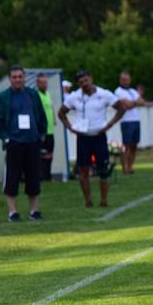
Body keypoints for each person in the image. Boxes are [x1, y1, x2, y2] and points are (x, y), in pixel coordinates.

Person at [57, 70, 130, 207]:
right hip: (83, 137)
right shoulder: (74, 96)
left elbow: (121, 108)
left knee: (103, 170)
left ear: (91, 78)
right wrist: (69, 127)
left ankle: (104, 200)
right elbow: (61, 112)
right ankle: (88, 201)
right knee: (83, 170)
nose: (84, 84)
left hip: (99, 136)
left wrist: (109, 124)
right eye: (81, 82)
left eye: (86, 80)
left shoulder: (104, 94)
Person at [0, 65, 48, 221]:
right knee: (12, 177)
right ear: (10, 79)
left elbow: (42, 117)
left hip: (32, 142)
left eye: (20, 76)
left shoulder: (33, 94)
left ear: (24, 78)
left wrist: (41, 134)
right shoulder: (3, 97)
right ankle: (12, 212)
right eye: (14, 77)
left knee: (34, 177)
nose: (17, 79)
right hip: (14, 143)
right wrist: (6, 138)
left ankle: (34, 210)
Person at [114, 71, 148, 175]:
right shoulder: (118, 91)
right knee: (126, 146)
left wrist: (134, 102)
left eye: (127, 79)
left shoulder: (132, 91)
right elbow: (127, 105)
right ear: (120, 80)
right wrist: (135, 102)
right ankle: (125, 168)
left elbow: (142, 102)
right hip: (126, 121)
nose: (126, 81)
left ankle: (130, 167)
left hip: (136, 120)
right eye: (123, 79)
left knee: (134, 145)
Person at [35, 73, 56, 181]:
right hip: (42, 131)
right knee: (41, 155)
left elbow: (50, 108)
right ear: (37, 84)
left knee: (49, 154)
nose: (44, 84)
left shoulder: (47, 94)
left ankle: (48, 176)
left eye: (45, 82)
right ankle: (40, 177)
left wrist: (54, 120)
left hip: (50, 131)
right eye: (42, 82)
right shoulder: (36, 95)